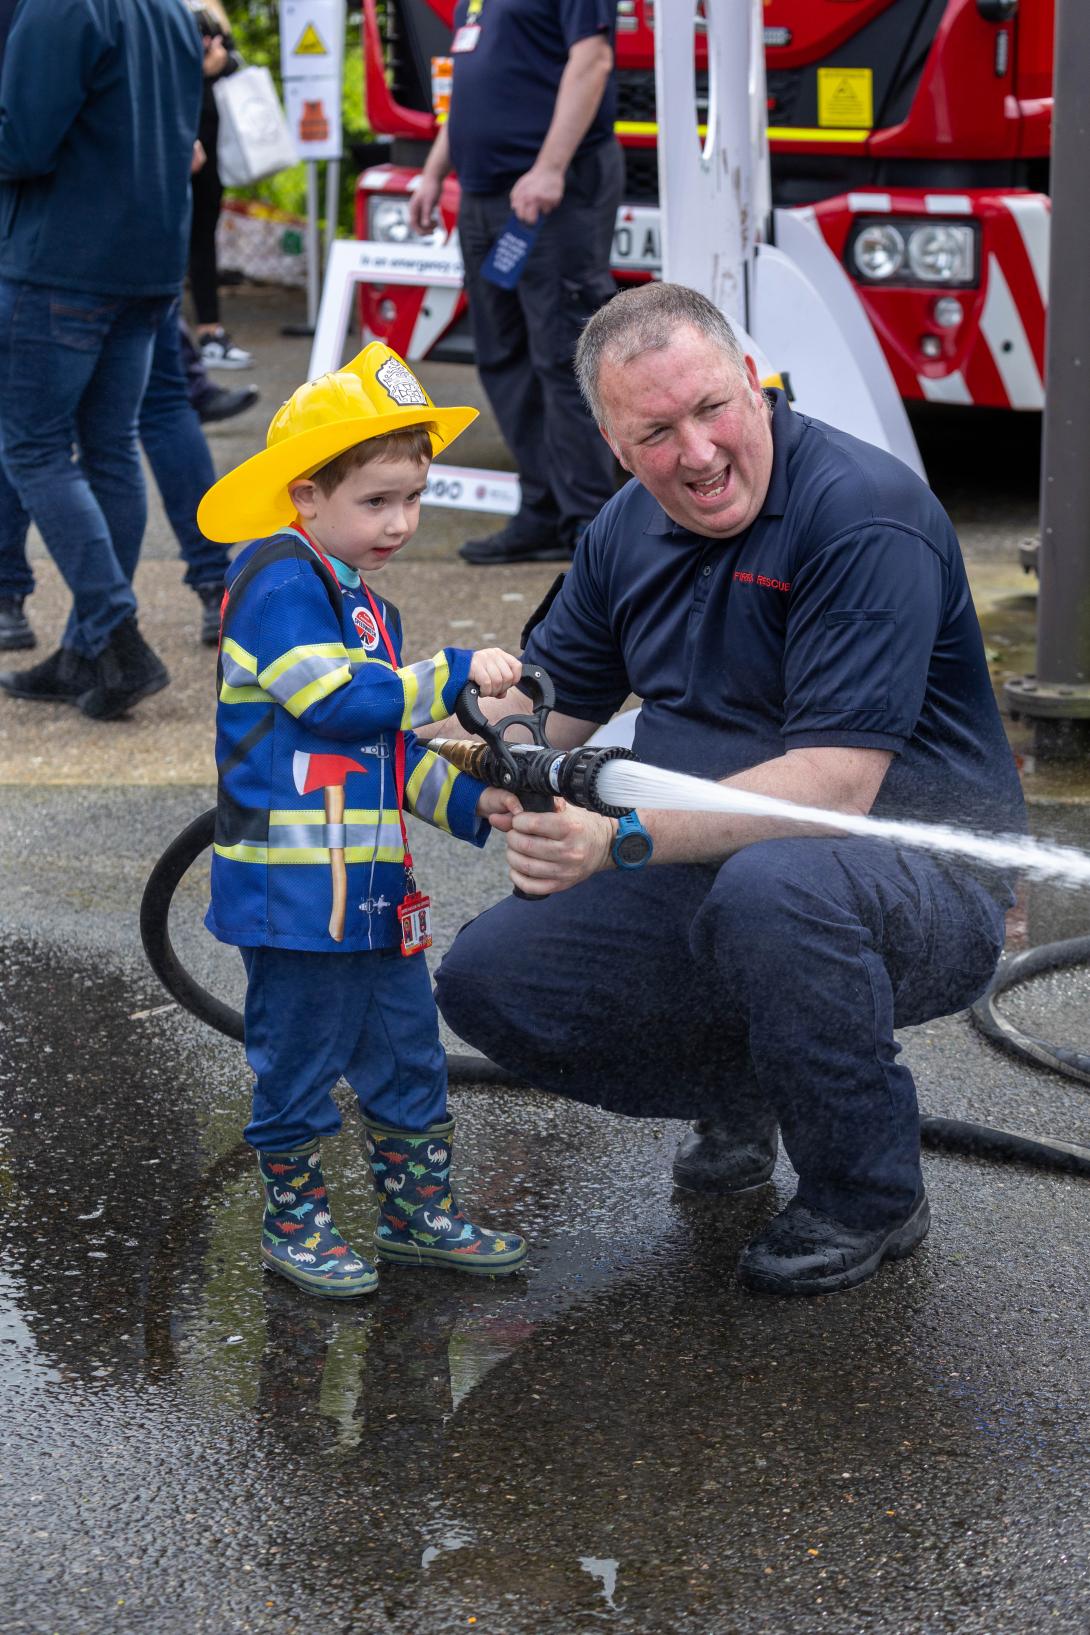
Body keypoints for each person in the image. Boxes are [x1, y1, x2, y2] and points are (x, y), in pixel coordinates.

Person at [432, 281, 1025, 1298]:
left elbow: (831, 790)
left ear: (754, 386)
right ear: (616, 446)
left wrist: (611, 840)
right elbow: (545, 704)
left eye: (711, 409)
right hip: (712, 856)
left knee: (777, 893)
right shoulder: (626, 529)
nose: (696, 453)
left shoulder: (859, 516)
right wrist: (484, 747)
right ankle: (754, 1086)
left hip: (916, 874)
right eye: (656, 431)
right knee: (492, 980)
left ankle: (865, 1192)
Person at [196, 340, 528, 1298]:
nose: (402, 521)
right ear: (306, 497)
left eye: (413, 499)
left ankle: (417, 1215)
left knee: (405, 1050)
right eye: (376, 500)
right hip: (291, 901)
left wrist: (476, 801)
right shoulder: (275, 584)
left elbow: (383, 751)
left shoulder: (366, 608)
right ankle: (294, 1220)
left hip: (375, 899)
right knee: (296, 1061)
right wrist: (457, 667)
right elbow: (341, 705)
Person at [0, 0, 203, 718]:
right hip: (145, 263)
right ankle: (91, 645)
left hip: (62, 260)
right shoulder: (171, 10)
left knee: (33, 450)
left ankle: (113, 630)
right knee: (110, 448)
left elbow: (20, 143)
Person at [409, 0, 622, 566]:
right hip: (485, 197)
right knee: (503, 357)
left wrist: (550, 167)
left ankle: (591, 524)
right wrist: (432, 173)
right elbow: (467, 95)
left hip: (551, 192)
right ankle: (544, 509)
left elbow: (592, 61)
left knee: (565, 357)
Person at [0, 300, 233, 656]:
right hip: (147, 271)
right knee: (144, 423)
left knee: (30, 438)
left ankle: (23, 600)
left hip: (52, 270)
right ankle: (216, 585)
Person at [187, 1, 254, 370]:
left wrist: (221, 62)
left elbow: (233, 58)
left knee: (202, 237)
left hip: (210, 141)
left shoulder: (208, 8)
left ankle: (209, 332)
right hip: (175, 137)